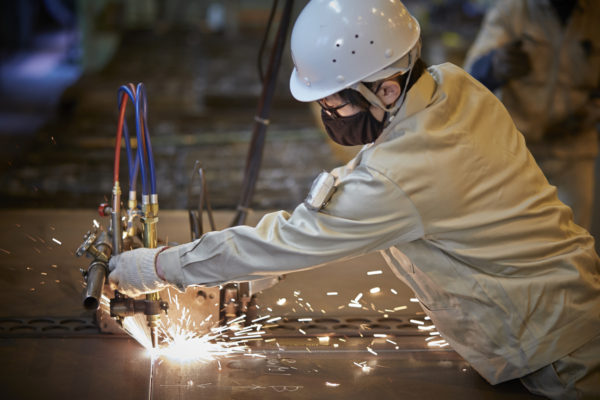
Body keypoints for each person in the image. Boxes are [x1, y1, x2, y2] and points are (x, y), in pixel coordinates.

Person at [109, 1, 600, 398]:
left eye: (335, 103)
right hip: (571, 304)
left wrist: (158, 266)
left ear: (386, 89)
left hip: (561, 355)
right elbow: (377, 174)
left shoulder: (402, 176)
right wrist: (271, 268)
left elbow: (363, 198)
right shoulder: (452, 84)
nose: (329, 116)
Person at [463, 0, 600, 231]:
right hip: (517, 153)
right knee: (510, 239)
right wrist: (494, 64)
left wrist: (592, 109)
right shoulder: (513, 9)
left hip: (574, 155)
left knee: (572, 244)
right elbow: (470, 76)